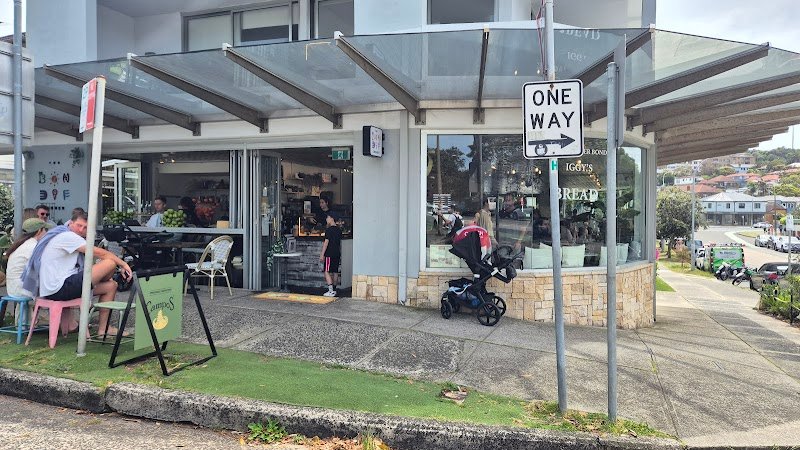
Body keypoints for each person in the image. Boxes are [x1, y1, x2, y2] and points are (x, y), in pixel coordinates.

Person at [22, 210, 133, 336]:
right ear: (71, 223)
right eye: (79, 225)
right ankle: (105, 278)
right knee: (109, 263)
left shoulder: (60, 233)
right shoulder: (67, 236)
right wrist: (123, 264)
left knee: (111, 286)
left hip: (55, 288)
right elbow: (100, 253)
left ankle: (104, 329)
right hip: (59, 288)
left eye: (85, 228)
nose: (81, 230)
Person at [5, 218, 54, 325]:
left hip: (13, 288)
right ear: (39, 231)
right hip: (22, 289)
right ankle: (62, 323)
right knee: (57, 289)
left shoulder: (23, 244)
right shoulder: (32, 246)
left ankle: (28, 322)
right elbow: (43, 267)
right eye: (45, 229)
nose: (46, 233)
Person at [319, 212, 342, 297]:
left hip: (329, 253)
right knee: (335, 271)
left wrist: (322, 254)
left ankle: (331, 291)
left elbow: (326, 243)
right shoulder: (339, 230)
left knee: (326, 271)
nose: (326, 219)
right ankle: (334, 290)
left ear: (332, 218)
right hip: (337, 253)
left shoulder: (328, 230)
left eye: (327, 217)